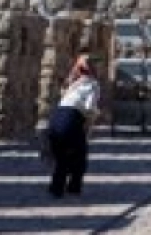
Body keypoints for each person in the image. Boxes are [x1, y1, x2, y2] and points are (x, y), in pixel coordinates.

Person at [46, 54, 100, 198]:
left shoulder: (72, 84)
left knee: (61, 157)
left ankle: (56, 187)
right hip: (71, 119)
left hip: (56, 119)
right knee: (80, 154)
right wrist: (92, 119)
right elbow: (89, 108)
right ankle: (74, 186)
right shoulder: (92, 84)